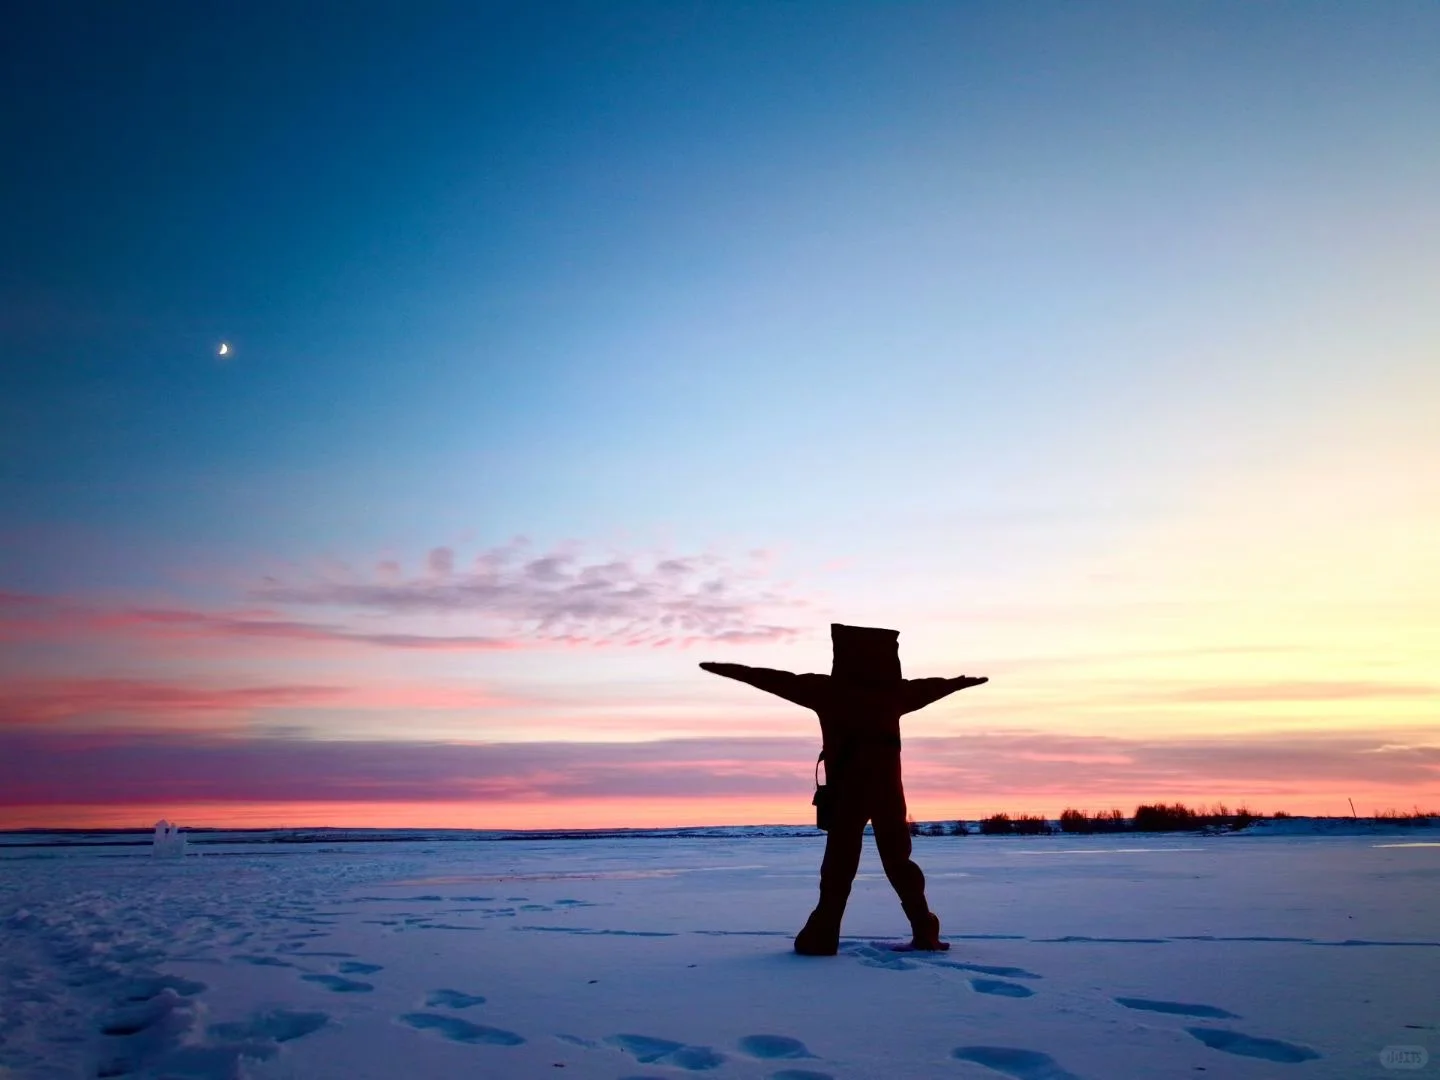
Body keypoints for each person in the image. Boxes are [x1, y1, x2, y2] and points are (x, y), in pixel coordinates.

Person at [700, 623, 987, 956]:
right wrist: (962, 683)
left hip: (850, 792)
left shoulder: (830, 691)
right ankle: (923, 929)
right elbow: (935, 687)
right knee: (897, 861)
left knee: (839, 866)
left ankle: (825, 933)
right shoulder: (894, 693)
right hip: (887, 794)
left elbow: (773, 678)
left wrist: (729, 670)